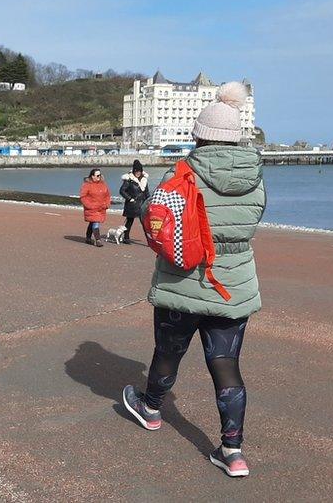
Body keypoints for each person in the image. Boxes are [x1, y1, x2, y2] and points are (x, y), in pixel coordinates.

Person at [122, 82, 264, 478]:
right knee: (226, 365)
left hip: (181, 281)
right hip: (232, 285)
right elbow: (252, 221)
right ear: (236, 137)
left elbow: (155, 218)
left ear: (199, 134)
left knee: (169, 351)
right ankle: (233, 451)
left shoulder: (181, 172)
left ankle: (150, 409)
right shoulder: (256, 176)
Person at [118, 160, 149, 245]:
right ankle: (126, 238)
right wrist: (130, 198)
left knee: (145, 223)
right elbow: (122, 191)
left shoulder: (144, 180)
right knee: (129, 221)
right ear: (134, 171)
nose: (138, 173)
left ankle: (149, 240)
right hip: (132, 204)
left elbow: (146, 193)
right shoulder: (129, 179)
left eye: (139, 171)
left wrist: (149, 202)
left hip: (142, 204)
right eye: (136, 171)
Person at [79, 168, 111, 247]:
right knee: (95, 223)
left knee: (93, 222)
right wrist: (90, 206)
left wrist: (106, 204)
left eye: (100, 175)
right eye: (97, 175)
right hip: (92, 208)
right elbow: (83, 197)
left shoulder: (103, 184)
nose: (99, 177)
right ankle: (98, 240)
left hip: (101, 208)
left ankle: (88, 237)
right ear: (92, 176)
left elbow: (108, 195)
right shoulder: (87, 185)